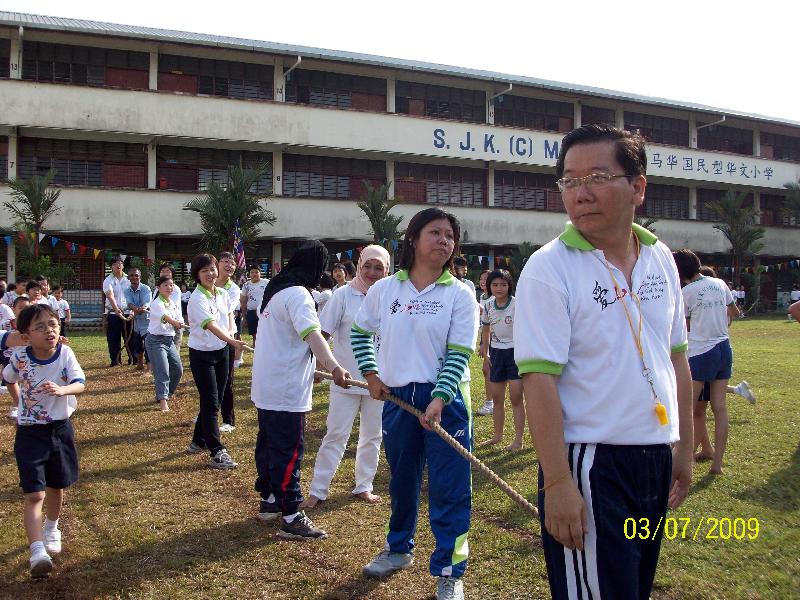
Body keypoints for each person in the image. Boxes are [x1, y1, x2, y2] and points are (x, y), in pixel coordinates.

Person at [514, 125, 692, 600]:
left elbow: (675, 357)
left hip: (653, 457)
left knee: (632, 585)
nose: (581, 193)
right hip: (590, 463)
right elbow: (538, 380)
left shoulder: (661, 259)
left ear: (637, 186)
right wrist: (557, 482)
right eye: (569, 181)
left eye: (596, 176)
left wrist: (682, 449)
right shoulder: (550, 267)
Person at [351, 207, 478, 600]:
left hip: (447, 402)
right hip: (398, 400)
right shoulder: (385, 290)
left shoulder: (460, 294)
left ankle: (450, 570)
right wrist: (372, 375)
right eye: (435, 232)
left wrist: (439, 398)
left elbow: (459, 354)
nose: (444, 240)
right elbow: (360, 333)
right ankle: (398, 547)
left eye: (449, 236)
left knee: (450, 488)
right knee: (403, 480)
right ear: (413, 239)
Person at [251, 240, 351, 540]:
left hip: (267, 384)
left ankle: (269, 500)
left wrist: (314, 366)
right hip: (285, 388)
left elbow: (290, 338)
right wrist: (333, 366)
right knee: (289, 450)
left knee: (269, 444)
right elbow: (312, 335)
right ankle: (292, 514)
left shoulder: (276, 291)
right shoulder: (299, 296)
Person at [301, 245, 390, 510]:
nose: (372, 273)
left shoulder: (390, 297)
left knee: (372, 436)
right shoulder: (342, 296)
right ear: (359, 265)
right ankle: (318, 490)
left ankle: (364, 485)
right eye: (367, 266)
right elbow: (323, 334)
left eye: (379, 268)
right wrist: (322, 364)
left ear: (387, 270)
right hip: (345, 380)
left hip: (380, 383)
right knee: (336, 434)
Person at [5, 304, 86, 578]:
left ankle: (52, 527)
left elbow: (80, 383)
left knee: (57, 484)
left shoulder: (65, 353)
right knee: (34, 492)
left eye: (52, 324)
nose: (49, 330)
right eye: (40, 327)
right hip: (30, 432)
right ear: (26, 335)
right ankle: (37, 550)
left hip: (60, 429)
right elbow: (8, 379)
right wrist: (19, 405)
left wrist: (63, 390)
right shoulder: (19, 357)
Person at [673, 249, 739, 475]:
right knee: (719, 408)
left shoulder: (686, 293)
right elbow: (735, 312)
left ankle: (683, 456)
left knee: (688, 408)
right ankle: (716, 463)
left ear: (679, 272)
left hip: (701, 352)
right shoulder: (720, 283)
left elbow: (685, 327)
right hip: (724, 348)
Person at [185, 254, 245, 469]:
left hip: (222, 351)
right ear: (197, 275)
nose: (210, 274)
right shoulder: (196, 299)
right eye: (204, 271)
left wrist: (232, 338)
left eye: (212, 269)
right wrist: (230, 340)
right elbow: (211, 325)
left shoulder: (221, 293)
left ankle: (197, 441)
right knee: (210, 402)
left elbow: (229, 316)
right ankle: (217, 451)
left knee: (215, 400)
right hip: (202, 355)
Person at [479, 269, 524, 450]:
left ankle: (518, 440)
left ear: (509, 286)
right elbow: (486, 329)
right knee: (497, 399)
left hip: (515, 353)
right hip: (496, 354)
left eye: (503, 284)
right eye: (495, 284)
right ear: (489, 286)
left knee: (516, 398)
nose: (499, 288)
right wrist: (485, 348)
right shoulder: (488, 305)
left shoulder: (517, 304)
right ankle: (497, 435)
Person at [146, 276, 184, 413]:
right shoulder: (156, 303)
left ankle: (168, 394)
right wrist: (175, 323)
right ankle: (163, 401)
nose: (169, 288)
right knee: (163, 371)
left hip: (169, 341)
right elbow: (166, 318)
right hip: (155, 341)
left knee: (178, 369)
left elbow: (179, 318)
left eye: (171, 285)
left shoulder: (172, 303)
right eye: (166, 285)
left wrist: (181, 323)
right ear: (158, 287)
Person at [216, 252, 241, 433]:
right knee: (210, 380)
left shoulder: (233, 289)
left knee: (226, 379)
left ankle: (228, 419)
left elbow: (225, 310)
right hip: (209, 339)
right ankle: (207, 414)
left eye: (232, 263)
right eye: (226, 262)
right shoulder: (208, 283)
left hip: (227, 337)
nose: (229, 265)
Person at [3, 296, 31, 419]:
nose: (24, 310)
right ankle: (17, 405)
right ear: (14, 309)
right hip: (11, 354)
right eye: (21, 308)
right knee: (10, 377)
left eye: (27, 308)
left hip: (28, 356)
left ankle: (20, 406)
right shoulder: (8, 323)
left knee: (26, 381)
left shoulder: (34, 322)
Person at [102, 256, 131, 367]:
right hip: (112, 314)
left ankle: (131, 359)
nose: (118, 265)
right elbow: (110, 295)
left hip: (128, 312)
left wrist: (132, 310)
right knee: (113, 338)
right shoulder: (108, 280)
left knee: (130, 336)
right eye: (115, 264)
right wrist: (116, 309)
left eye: (120, 263)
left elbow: (132, 295)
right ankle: (115, 361)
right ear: (111, 267)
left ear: (123, 265)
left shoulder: (129, 279)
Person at [123, 267, 152, 372]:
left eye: (136, 275)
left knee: (148, 344)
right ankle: (140, 364)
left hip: (147, 320)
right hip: (136, 320)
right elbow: (129, 303)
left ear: (140, 277)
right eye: (131, 275)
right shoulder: (126, 290)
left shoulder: (146, 288)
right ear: (128, 278)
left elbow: (147, 303)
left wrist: (142, 308)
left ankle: (149, 369)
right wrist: (136, 309)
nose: (134, 277)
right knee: (137, 342)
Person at [475, 269, 494, 417]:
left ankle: (491, 403)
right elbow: (484, 323)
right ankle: (491, 402)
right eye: (481, 278)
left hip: (498, 340)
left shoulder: (496, 298)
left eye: (486, 278)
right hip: (487, 338)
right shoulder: (482, 297)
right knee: (487, 370)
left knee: (488, 369)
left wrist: (485, 343)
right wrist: (482, 342)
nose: (482, 281)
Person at [241, 264, 268, 346]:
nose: (254, 274)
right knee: (254, 332)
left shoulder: (267, 282)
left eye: (257, 272)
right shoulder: (246, 285)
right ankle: (255, 346)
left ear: (260, 273)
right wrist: (244, 317)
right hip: (251, 312)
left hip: (264, 312)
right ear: (249, 274)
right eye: (252, 272)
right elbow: (243, 301)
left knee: (265, 331)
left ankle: (265, 346)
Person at [158, 264, 184, 348]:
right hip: (163, 324)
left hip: (174, 323)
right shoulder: (157, 289)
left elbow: (171, 306)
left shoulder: (174, 289)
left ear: (172, 274)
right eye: (162, 271)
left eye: (167, 271)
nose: (164, 273)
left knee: (174, 352)